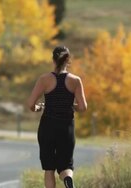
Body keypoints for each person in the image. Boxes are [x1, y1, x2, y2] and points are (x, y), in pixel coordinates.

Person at [27, 46, 87, 188]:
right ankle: (67, 180)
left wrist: (38, 108)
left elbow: (30, 104)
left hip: (47, 126)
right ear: (68, 60)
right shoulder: (75, 80)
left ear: (53, 59)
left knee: (49, 168)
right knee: (66, 165)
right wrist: (72, 106)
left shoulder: (44, 79)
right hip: (67, 127)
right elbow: (83, 107)